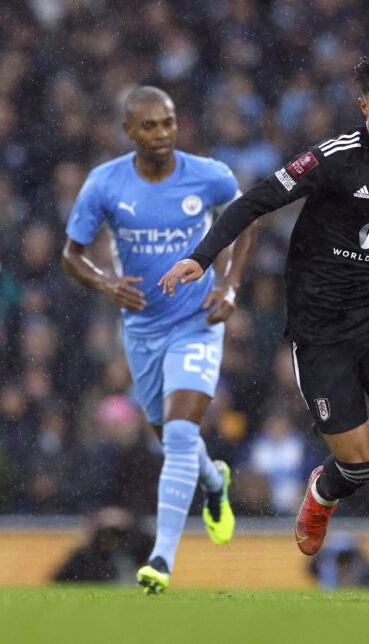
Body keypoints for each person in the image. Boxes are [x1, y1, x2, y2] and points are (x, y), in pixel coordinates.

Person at [160, 50, 369, 602]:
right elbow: (255, 201)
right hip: (320, 331)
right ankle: (324, 491)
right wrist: (201, 255)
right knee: (359, 463)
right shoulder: (333, 160)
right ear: (364, 107)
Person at [61, 85, 257, 594]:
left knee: (176, 437)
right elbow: (71, 255)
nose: (162, 133)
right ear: (129, 131)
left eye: (168, 122)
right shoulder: (104, 183)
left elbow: (245, 222)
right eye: (149, 125)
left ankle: (162, 560)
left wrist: (231, 286)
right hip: (143, 331)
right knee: (170, 438)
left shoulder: (210, 175)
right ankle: (215, 484)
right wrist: (105, 282)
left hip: (197, 323)